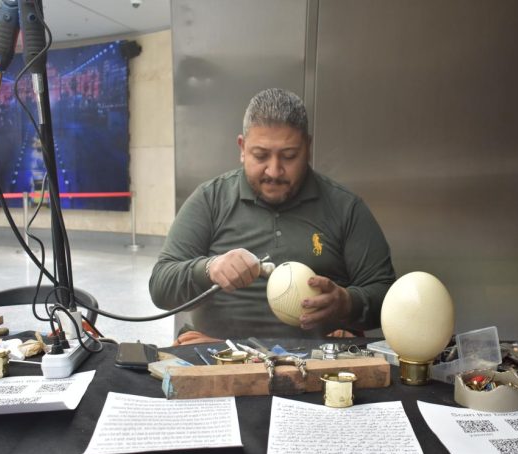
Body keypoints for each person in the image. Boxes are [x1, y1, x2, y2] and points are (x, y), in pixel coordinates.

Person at [149, 88, 395, 339]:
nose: (274, 171)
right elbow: (160, 287)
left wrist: (346, 302)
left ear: (308, 147)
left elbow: (387, 297)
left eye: (289, 156)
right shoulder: (210, 200)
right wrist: (209, 269)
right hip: (219, 352)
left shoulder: (344, 208)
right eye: (261, 155)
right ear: (242, 148)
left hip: (320, 357)